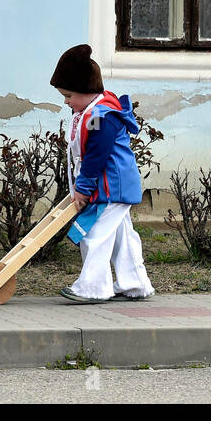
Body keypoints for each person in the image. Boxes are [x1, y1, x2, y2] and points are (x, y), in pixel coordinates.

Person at [50, 44, 155, 303]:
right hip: (115, 187)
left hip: (112, 189)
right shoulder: (91, 111)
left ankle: (93, 288)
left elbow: (95, 157)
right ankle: (136, 284)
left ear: (87, 91)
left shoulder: (102, 117)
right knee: (122, 236)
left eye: (68, 95)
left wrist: (84, 189)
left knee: (93, 234)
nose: (66, 101)